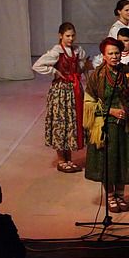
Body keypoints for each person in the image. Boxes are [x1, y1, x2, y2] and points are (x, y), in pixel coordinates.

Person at [83, 37, 129, 212]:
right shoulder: (97, 76)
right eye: (110, 53)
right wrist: (110, 111)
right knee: (108, 162)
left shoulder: (128, 72)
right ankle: (111, 196)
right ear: (104, 56)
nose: (114, 56)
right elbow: (89, 103)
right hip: (106, 127)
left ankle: (120, 195)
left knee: (123, 160)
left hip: (126, 125)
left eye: (117, 53)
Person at [32, 22, 91, 173]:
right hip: (61, 92)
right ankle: (61, 160)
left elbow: (82, 65)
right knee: (61, 123)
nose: (71, 39)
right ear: (60, 36)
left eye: (72, 36)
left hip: (74, 90)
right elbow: (37, 65)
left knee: (71, 123)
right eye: (67, 36)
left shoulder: (77, 51)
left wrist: (83, 69)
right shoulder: (56, 52)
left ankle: (69, 158)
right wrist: (54, 72)